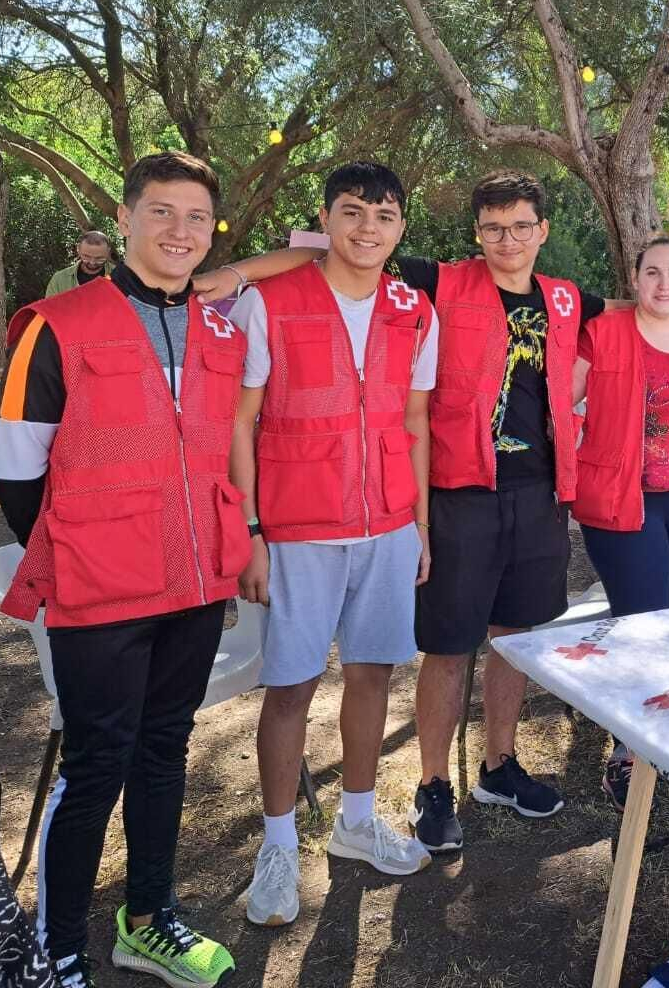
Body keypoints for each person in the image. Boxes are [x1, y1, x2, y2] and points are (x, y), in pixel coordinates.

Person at [200, 169, 609, 848]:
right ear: (476, 235)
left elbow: (635, 311)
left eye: (520, 227)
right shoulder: (441, 282)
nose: (506, 240)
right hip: (457, 492)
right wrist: (238, 274)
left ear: (542, 231)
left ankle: (499, 765)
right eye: (492, 228)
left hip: (538, 496)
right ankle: (431, 784)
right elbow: (322, 250)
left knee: (516, 638)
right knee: (447, 647)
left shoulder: (564, 299)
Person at [0, 152, 244, 988]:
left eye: (198, 217)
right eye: (163, 213)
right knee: (98, 762)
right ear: (126, 218)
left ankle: (149, 918)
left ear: (214, 231)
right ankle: (56, 941)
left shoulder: (221, 327)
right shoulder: (53, 325)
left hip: (197, 583)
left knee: (166, 748)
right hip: (99, 591)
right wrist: (80, 551)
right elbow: (19, 472)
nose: (181, 232)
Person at [228, 163, 435, 927]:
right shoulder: (271, 302)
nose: (367, 229)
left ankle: (354, 822)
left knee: (374, 676)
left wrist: (419, 527)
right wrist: (250, 531)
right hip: (296, 530)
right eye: (352, 213)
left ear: (400, 228)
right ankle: (278, 847)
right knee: (289, 688)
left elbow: (414, 423)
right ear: (325, 218)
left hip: (385, 526)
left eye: (383, 216)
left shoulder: (415, 309)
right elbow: (240, 422)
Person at [571, 236, 669, 807]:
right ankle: (625, 750)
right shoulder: (604, 332)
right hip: (623, 499)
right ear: (635, 279)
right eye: (653, 273)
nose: (665, 284)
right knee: (640, 625)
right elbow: (563, 401)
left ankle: (662, 736)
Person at [44, 231, 115, 297]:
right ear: (78, 249)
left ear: (108, 252)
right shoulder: (59, 280)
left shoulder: (119, 276)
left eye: (99, 258)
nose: (92, 262)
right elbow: (48, 309)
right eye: (86, 256)